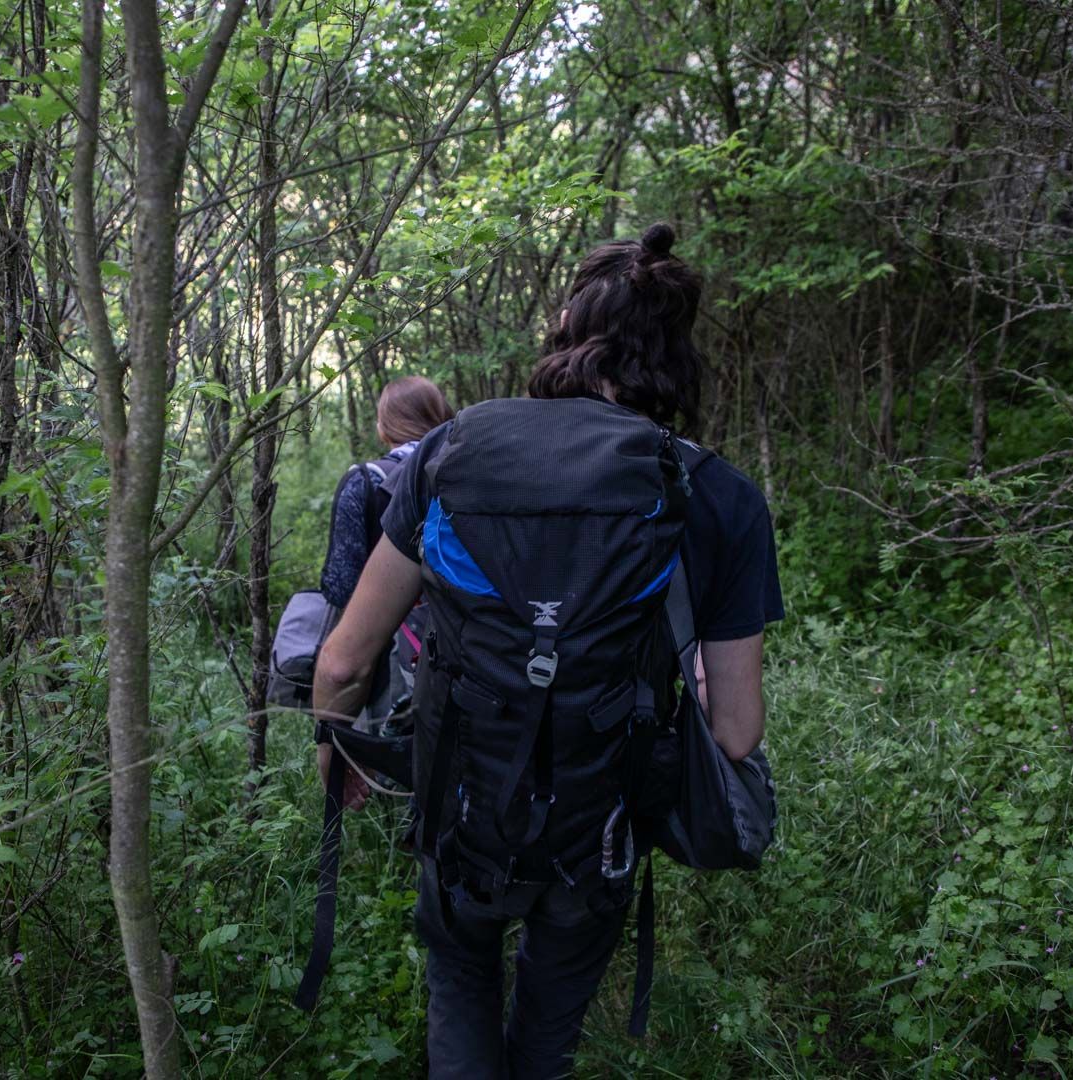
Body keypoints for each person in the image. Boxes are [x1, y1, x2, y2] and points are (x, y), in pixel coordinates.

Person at [312, 224, 783, 1078]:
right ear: (674, 356)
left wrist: (335, 745)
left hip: (459, 811)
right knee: (546, 1043)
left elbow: (345, 659)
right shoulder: (716, 493)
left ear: (566, 331)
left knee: (460, 984)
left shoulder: (451, 451)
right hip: (598, 829)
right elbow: (737, 732)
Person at [317, 376, 452, 726]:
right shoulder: (465, 475)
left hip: (381, 660)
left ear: (384, 427)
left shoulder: (366, 480)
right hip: (465, 655)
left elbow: (340, 586)